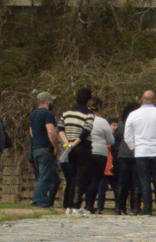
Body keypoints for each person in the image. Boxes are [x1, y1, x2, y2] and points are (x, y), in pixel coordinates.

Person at [124, 90, 156, 215]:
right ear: (155, 100)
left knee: (144, 181)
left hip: (141, 151)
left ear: (142, 99)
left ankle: (147, 209)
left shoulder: (133, 115)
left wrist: (134, 148)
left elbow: (127, 137)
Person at [60, 87, 95, 215]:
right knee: (81, 177)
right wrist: (75, 143)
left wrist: (67, 143)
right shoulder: (89, 113)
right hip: (83, 147)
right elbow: (86, 132)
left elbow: (60, 128)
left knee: (73, 176)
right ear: (88, 100)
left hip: (70, 149)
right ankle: (76, 205)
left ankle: (69, 206)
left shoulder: (66, 112)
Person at [28, 91, 60, 208]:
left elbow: (31, 132)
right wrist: (56, 146)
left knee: (55, 179)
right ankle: (38, 201)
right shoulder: (48, 114)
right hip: (45, 148)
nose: (52, 103)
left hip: (36, 148)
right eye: (51, 101)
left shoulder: (34, 114)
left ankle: (47, 201)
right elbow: (51, 131)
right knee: (44, 176)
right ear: (47, 101)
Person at [85, 97, 115, 214]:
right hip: (100, 152)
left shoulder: (84, 120)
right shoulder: (102, 122)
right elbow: (111, 140)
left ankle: (82, 203)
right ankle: (90, 204)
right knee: (96, 180)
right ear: (99, 108)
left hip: (87, 151)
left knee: (87, 178)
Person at [113, 99, 140, 215]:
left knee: (123, 182)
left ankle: (120, 207)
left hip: (123, 154)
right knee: (135, 182)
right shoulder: (138, 123)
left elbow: (117, 137)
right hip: (136, 153)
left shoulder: (121, 124)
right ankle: (135, 207)